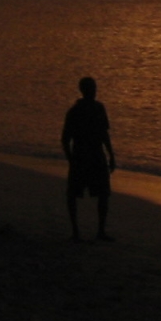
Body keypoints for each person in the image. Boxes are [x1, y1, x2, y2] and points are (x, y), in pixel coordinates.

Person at [61, 76, 116, 242]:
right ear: (86, 90)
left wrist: (111, 155)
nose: (94, 91)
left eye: (95, 88)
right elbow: (65, 139)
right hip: (85, 156)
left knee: (103, 194)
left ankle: (99, 231)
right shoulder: (76, 111)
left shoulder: (97, 108)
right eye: (92, 88)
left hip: (93, 156)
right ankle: (76, 231)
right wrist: (71, 159)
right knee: (74, 194)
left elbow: (104, 134)